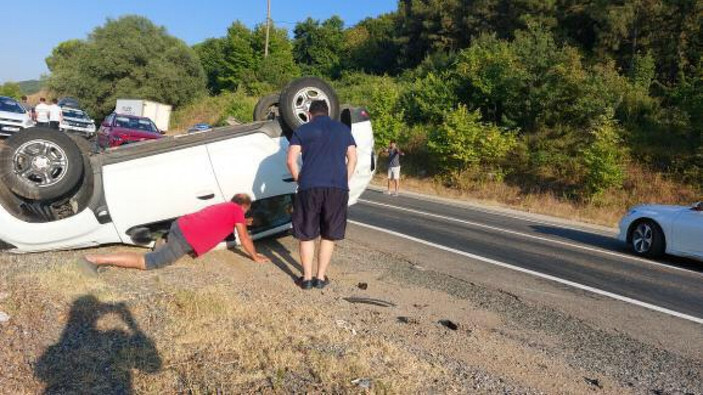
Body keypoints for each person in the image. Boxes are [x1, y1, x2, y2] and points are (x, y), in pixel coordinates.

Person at [79, 194, 269, 273]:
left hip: (180, 225)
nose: (244, 215)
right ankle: (94, 259)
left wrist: (246, 222)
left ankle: (161, 243)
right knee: (148, 262)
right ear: (243, 206)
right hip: (186, 237)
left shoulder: (224, 206)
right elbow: (243, 237)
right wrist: (254, 256)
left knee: (161, 250)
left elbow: (227, 224)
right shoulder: (236, 210)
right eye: (246, 211)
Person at [286, 100, 358, 290]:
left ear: (309, 114)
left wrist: (300, 180)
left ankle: (307, 279)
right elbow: (353, 158)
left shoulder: (302, 130)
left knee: (307, 235)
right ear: (328, 113)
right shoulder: (343, 130)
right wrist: (344, 179)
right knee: (328, 234)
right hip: (337, 188)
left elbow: (291, 161)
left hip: (309, 186)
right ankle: (320, 277)